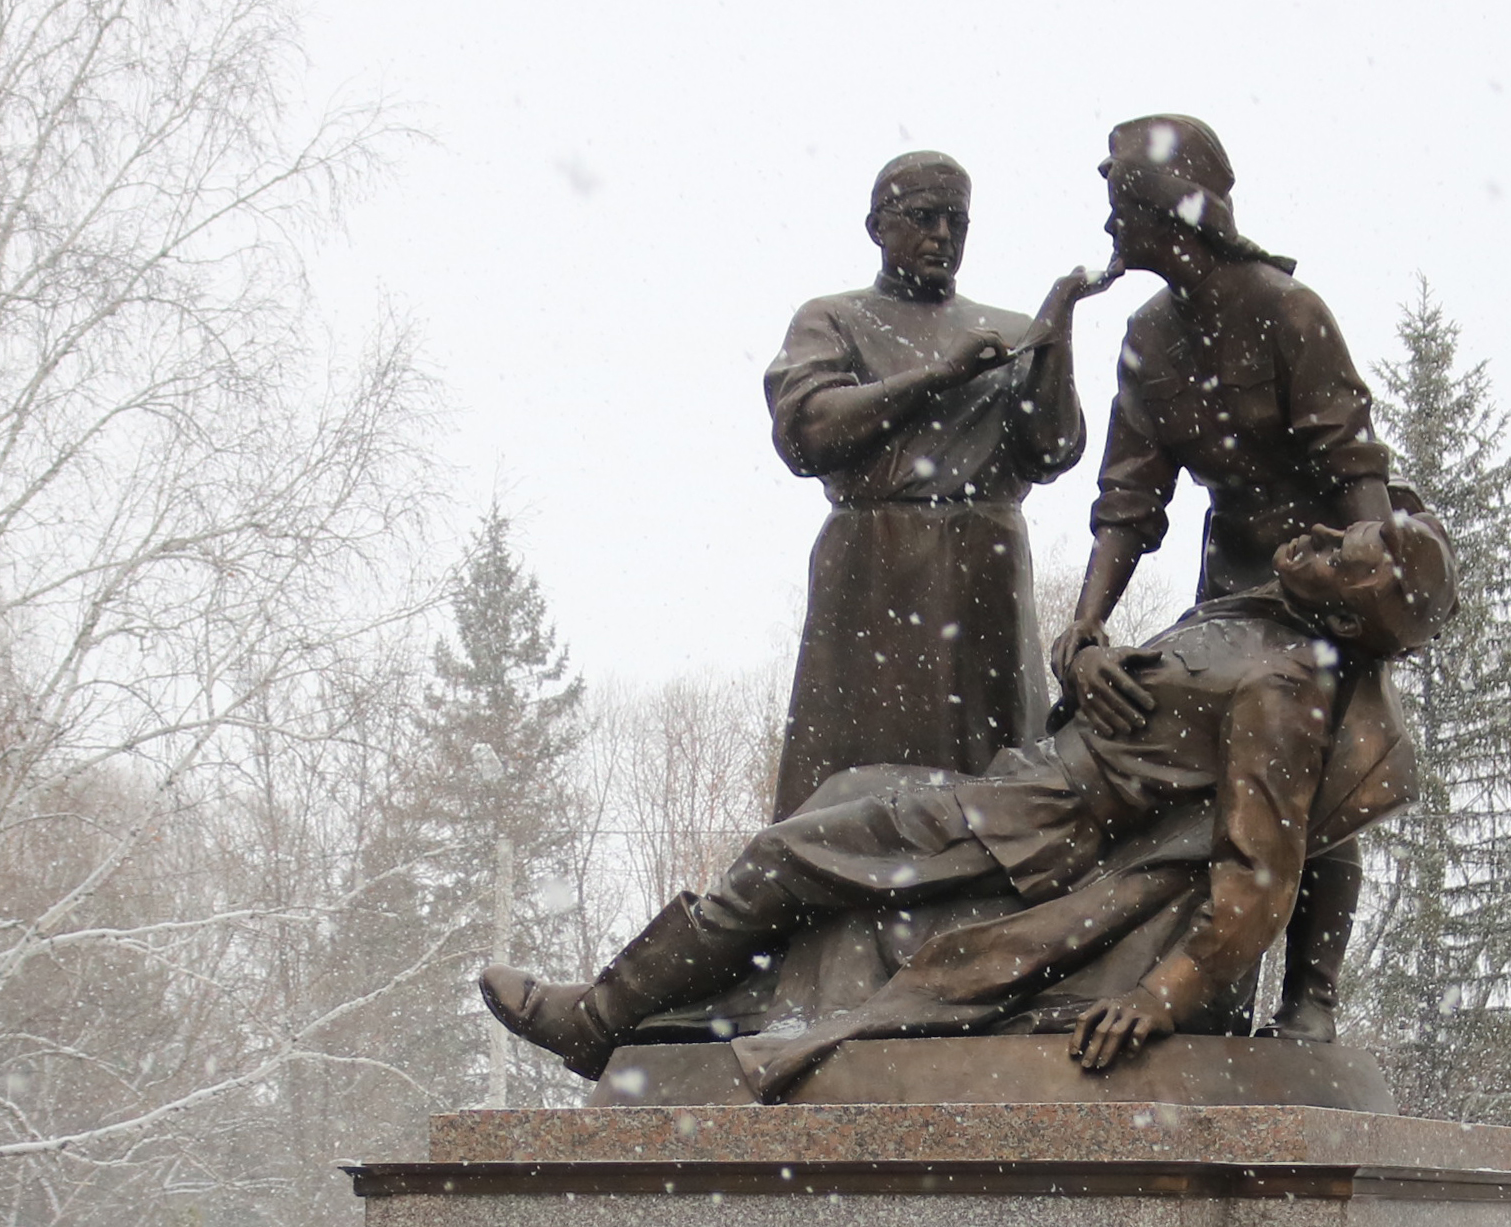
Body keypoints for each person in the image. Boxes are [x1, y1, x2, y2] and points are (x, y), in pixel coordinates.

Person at [482, 510, 1452, 1097]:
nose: (1324, 540)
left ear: (1349, 610)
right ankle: (684, 1015)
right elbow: (1137, 702)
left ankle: (600, 1019)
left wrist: (1161, 999)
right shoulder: (1257, 618)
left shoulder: (1283, 693)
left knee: (785, 855)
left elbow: (1259, 877)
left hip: (1035, 828)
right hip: (1020, 782)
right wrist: (1086, 652)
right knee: (841, 799)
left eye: (1350, 555)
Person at [1062, 115, 1396, 1040]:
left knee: (1315, 766)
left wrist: (1365, 595)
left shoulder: (1289, 311)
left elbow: (1355, 467)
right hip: (1229, 583)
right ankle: (1209, 990)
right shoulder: (1147, 337)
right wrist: (1085, 628)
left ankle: (1311, 997)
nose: (1107, 230)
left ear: (1162, 207)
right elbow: (1128, 505)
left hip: (1325, 570)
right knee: (1195, 763)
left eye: (1116, 206)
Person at [764, 151, 1092, 815]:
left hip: (986, 576)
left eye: (956, 222)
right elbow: (807, 431)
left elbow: (1053, 451)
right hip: (877, 571)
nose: (942, 235)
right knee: (852, 791)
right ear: (876, 227)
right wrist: (937, 376)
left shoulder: (1006, 329)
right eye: (923, 217)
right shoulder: (833, 319)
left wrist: (1055, 337)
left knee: (998, 790)